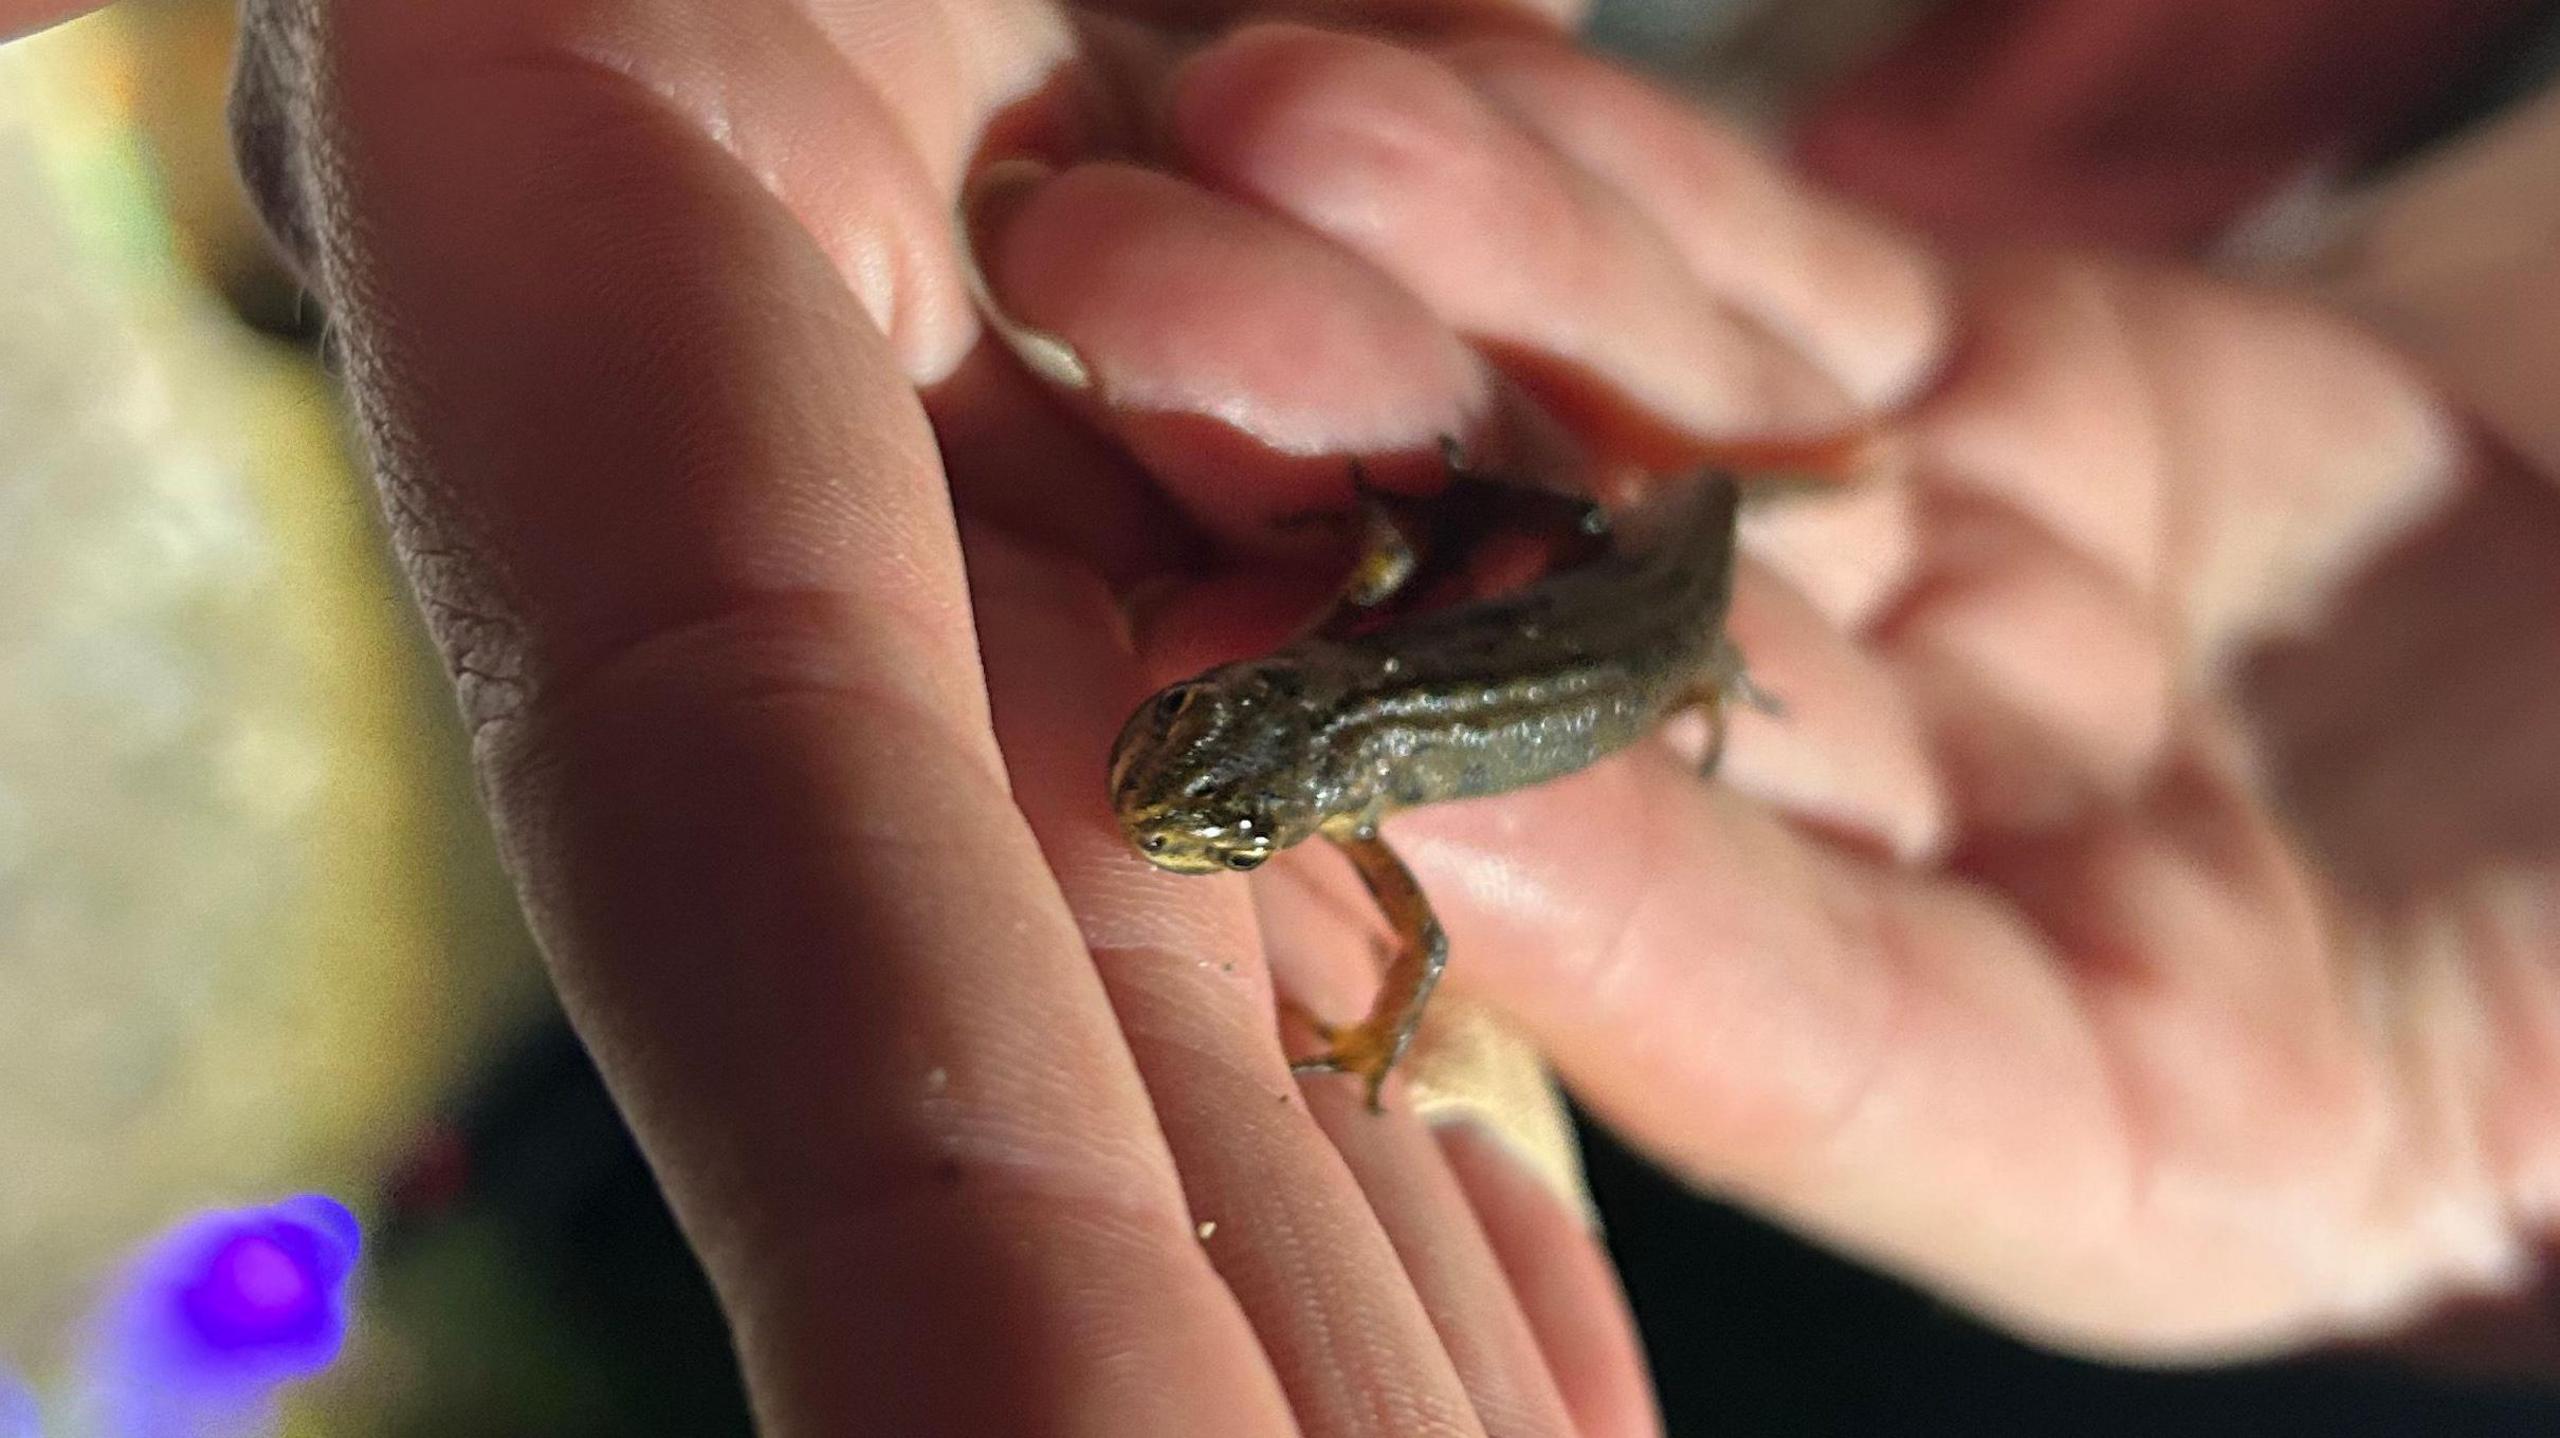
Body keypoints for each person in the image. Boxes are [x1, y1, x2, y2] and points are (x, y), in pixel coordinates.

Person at [14, 0, 2560, 1431]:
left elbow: (1418, 924)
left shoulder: (1372, 786)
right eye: (1208, 765)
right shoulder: (1333, 707)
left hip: (1663, 631)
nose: (1195, 776)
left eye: (1213, 797)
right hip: (1681, 545)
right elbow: (1366, 599)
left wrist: (1368, 1038)